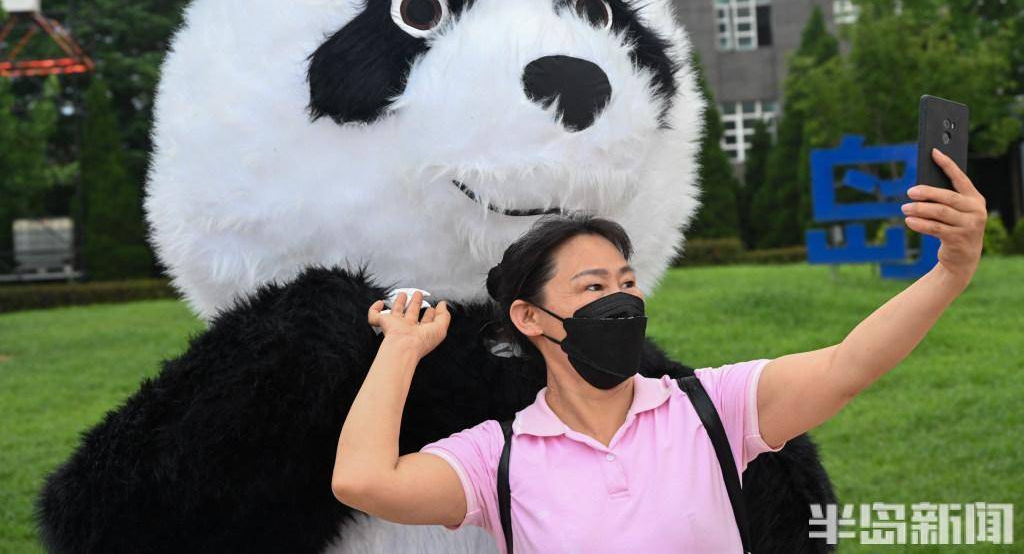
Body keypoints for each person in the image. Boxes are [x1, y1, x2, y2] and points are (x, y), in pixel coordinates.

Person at [331, 148, 986, 552]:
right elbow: (363, 480)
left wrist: (950, 272)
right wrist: (402, 346)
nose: (621, 301)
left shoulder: (712, 407)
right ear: (530, 318)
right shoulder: (497, 459)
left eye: (626, 282)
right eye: (593, 287)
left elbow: (848, 366)